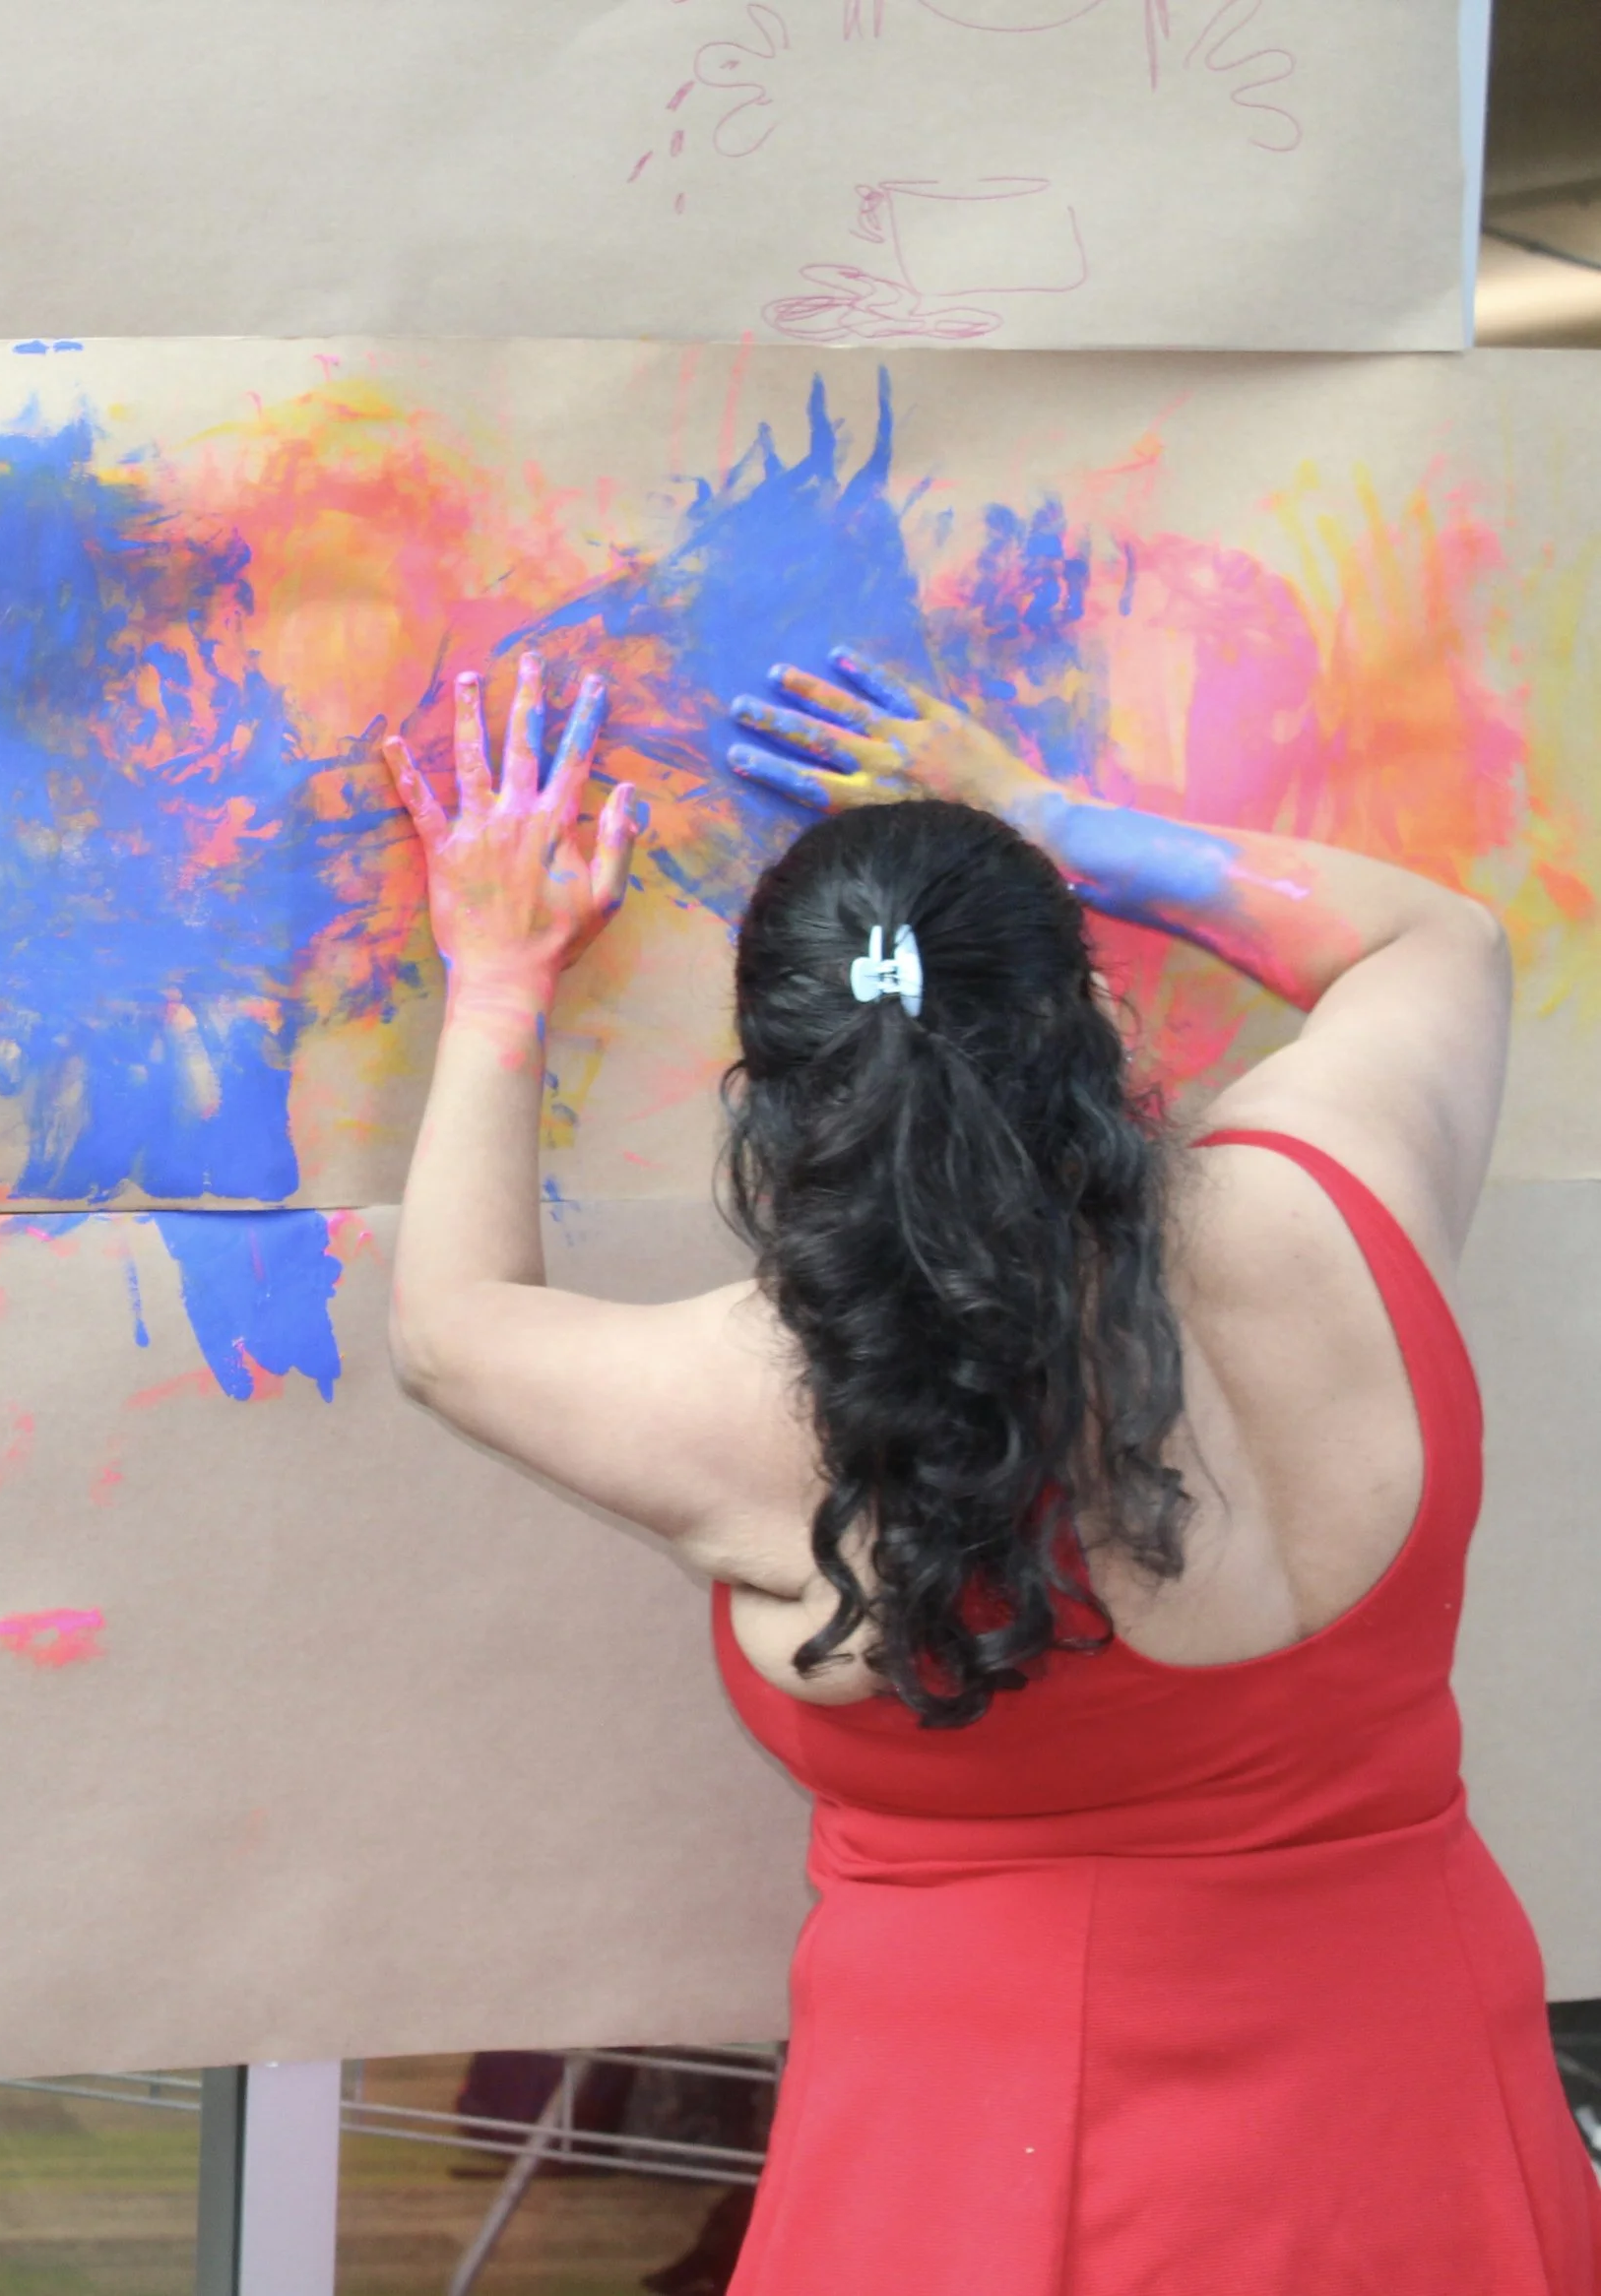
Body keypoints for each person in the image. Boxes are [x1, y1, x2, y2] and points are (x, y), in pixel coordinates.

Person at [380, 648, 1601, 2292]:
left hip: (972, 2170)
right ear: (1085, 1013)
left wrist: (499, 982)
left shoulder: (770, 1401)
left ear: (777, 1099)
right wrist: (1048, 814)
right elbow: (1436, 939)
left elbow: (453, 1325)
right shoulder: (1333, 1204)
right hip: (1429, 2122)